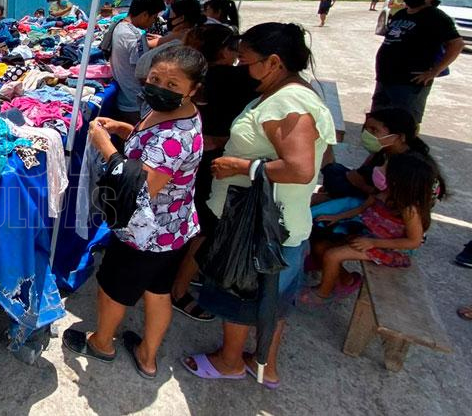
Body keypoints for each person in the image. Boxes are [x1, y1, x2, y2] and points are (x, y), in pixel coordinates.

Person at [184, 22, 336, 388]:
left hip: (258, 226)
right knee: (272, 298)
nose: (241, 67)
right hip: (281, 223)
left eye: (247, 61)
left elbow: (301, 168)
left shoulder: (288, 102)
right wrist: (222, 143)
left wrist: (239, 165)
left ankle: (229, 361)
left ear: (273, 61)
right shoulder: (292, 92)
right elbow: (319, 155)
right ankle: (264, 362)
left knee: (241, 293)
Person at [63, 44, 206, 380]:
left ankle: (101, 344)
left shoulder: (175, 139)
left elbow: (140, 187)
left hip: (144, 233)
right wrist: (127, 131)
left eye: (173, 85)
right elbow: (150, 145)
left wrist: (106, 147)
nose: (160, 88)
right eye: (155, 78)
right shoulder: (177, 113)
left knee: (113, 289)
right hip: (174, 227)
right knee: (157, 292)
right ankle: (147, 355)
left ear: (193, 89)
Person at [170, 24, 259, 321]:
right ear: (224, 51)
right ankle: (178, 289)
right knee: (203, 225)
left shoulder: (197, 78)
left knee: (191, 215)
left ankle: (179, 274)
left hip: (193, 158)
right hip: (213, 161)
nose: (239, 57)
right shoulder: (238, 80)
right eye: (236, 50)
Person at [303, 152, 445, 305]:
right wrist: (337, 217)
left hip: (389, 248)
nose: (379, 168)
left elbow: (413, 242)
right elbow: (361, 209)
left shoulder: (409, 209)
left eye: (385, 168)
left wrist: (373, 243)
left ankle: (322, 294)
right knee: (320, 246)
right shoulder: (382, 192)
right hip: (368, 235)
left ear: (400, 180)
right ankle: (346, 281)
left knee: (333, 255)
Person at [371, 0, 463, 124]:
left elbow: (456, 44)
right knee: (378, 120)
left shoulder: (436, 17)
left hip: (409, 82)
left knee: (403, 122)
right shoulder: (402, 14)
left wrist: (435, 71)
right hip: (385, 77)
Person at [316, 107, 429, 202]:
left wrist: (363, 187)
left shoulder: (411, 166)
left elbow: (396, 200)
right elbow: (360, 172)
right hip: (368, 192)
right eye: (366, 129)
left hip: (384, 206)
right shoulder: (383, 151)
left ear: (399, 136)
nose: (367, 134)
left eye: (374, 130)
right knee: (333, 170)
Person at [109, 0, 167, 125]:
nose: (153, 22)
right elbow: (143, 75)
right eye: (153, 18)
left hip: (127, 99)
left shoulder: (119, 27)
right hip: (135, 104)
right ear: (145, 14)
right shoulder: (133, 36)